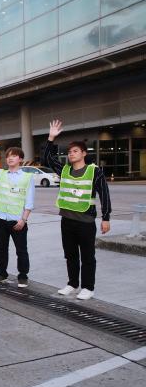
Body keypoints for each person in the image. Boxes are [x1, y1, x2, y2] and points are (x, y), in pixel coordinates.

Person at [43, 119, 111, 300]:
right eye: (70, 152)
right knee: (70, 255)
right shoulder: (64, 169)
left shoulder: (94, 171)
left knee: (88, 256)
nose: (71, 154)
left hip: (86, 222)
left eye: (75, 151)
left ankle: (88, 287)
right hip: (67, 220)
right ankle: (72, 284)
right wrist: (51, 138)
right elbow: (47, 159)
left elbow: (104, 194)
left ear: (83, 153)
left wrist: (106, 217)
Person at [0, 131, 35, 288]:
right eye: (8, 155)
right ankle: (1, 273)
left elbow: (29, 201)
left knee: (21, 250)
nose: (10, 158)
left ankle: (23, 276)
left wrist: (23, 219)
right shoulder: (0, 173)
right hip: (1, 218)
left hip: (18, 220)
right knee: (1, 249)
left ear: (20, 159)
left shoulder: (27, 177)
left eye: (14, 155)